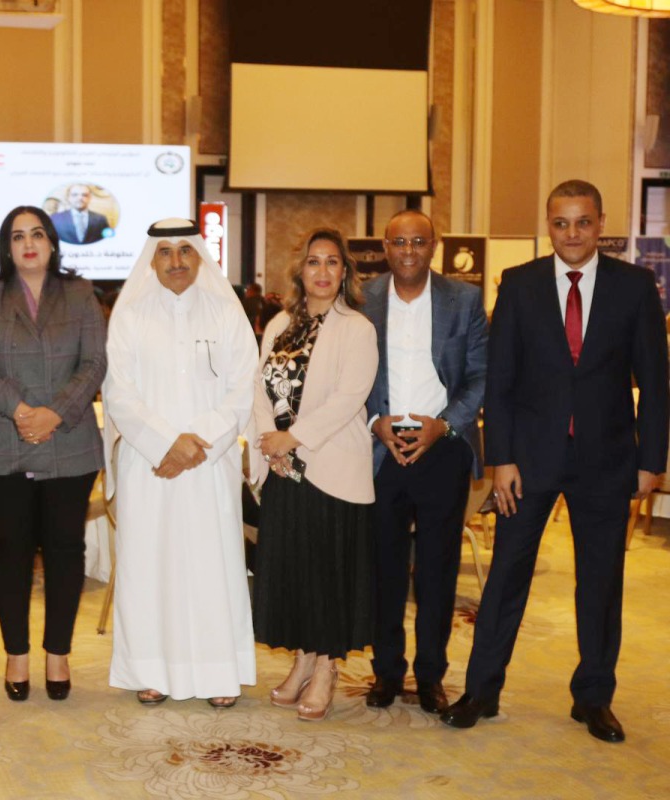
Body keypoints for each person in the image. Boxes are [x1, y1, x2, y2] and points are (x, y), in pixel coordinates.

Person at [442, 180, 669, 743]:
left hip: (608, 461)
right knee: (506, 578)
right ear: (549, 225)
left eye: (583, 222)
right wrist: (504, 460)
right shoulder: (519, 284)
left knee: (600, 583)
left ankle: (593, 698)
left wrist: (650, 460)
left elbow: (656, 383)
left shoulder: (636, 287)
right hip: (530, 461)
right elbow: (502, 378)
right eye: (561, 222)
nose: (571, 233)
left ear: (600, 223)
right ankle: (482, 690)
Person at [104, 218, 258, 708]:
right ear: (151, 259)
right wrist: (167, 443)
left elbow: (243, 389)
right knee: (149, 565)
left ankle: (217, 674)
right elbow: (118, 393)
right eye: (165, 252)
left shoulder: (225, 313)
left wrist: (200, 444)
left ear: (199, 256)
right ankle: (151, 671)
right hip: (149, 465)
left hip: (208, 465)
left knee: (211, 565)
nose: (175, 262)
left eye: (185, 251)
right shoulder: (130, 315)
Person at [0, 205, 107, 703]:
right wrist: (22, 410)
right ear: (7, 247)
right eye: (18, 236)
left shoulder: (81, 293)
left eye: (38, 234)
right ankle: (17, 654)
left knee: (66, 551)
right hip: (4, 442)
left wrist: (55, 413)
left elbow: (94, 363)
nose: (29, 243)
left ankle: (58, 654)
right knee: (13, 552)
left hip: (70, 442)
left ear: (51, 243)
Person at [362, 210, 488, 714]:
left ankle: (431, 674)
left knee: (437, 570)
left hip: (443, 447)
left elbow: (481, 375)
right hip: (380, 449)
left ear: (434, 245)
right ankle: (387, 673)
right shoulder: (362, 299)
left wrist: (443, 424)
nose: (408, 250)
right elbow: (347, 375)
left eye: (418, 241)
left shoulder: (465, 299)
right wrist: (375, 421)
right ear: (385, 247)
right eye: (399, 241)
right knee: (383, 570)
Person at [251, 228, 378, 722]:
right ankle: (304, 658)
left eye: (331, 262)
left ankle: (326, 667)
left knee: (329, 574)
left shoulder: (357, 328)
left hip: (331, 469)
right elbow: (259, 389)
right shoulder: (279, 323)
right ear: (299, 271)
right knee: (296, 571)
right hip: (284, 470)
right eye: (313, 262)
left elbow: (349, 398)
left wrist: (293, 438)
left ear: (344, 272)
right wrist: (268, 439)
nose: (322, 271)